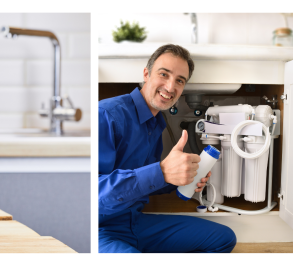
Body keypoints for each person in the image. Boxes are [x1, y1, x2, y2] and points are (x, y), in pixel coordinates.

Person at [98, 44, 236, 253]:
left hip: (137, 223)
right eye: (164, 74)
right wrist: (162, 171)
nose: (171, 87)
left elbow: (147, 182)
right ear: (146, 74)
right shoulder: (107, 115)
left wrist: (181, 176)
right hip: (101, 229)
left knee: (224, 238)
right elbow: (93, 194)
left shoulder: (155, 123)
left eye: (180, 81)